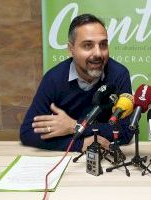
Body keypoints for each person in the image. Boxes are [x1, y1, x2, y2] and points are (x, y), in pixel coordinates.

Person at [20, 14, 133, 152]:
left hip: (105, 158)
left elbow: (126, 131)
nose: (98, 53)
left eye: (103, 45)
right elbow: (28, 133)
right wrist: (80, 145)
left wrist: (74, 126)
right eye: (87, 45)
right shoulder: (54, 79)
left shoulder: (119, 74)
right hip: (67, 159)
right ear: (71, 49)